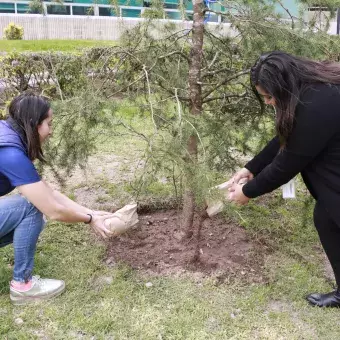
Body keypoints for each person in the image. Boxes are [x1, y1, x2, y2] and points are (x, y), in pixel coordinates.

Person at [228, 51, 340, 308]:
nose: (267, 102)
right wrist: (252, 168)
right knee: (327, 218)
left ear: (283, 86)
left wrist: (248, 192)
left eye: (269, 96)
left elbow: (288, 162)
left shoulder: (318, 104)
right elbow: (290, 139)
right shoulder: (312, 87)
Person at [0, 92, 114, 305]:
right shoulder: (10, 153)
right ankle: (22, 287)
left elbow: (48, 192)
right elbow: (52, 209)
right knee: (32, 209)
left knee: (32, 211)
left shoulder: (7, 135)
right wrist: (89, 220)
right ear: (34, 124)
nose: (51, 131)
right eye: (49, 124)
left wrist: (91, 212)